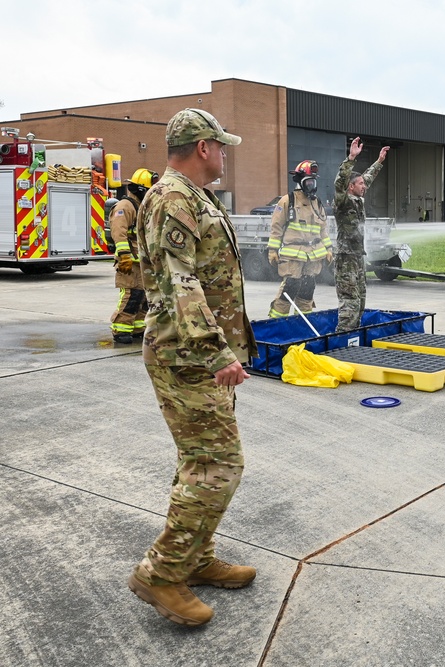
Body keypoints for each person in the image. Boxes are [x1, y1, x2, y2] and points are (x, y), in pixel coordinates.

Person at [128, 108, 258, 627]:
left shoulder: (193, 196)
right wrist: (215, 350)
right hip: (186, 356)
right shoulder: (173, 197)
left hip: (199, 355)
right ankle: (160, 573)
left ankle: (196, 559)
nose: (225, 154)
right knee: (218, 466)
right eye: (221, 145)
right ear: (203, 146)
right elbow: (180, 281)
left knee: (199, 462)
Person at [333, 136, 389, 333]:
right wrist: (350, 159)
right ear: (351, 187)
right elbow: (340, 182)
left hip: (357, 258)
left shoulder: (358, 199)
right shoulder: (343, 200)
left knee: (360, 301)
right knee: (350, 304)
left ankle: (353, 337)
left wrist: (379, 161)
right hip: (345, 258)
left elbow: (367, 177)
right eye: (360, 184)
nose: (364, 186)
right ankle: (341, 339)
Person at [267, 160, 334, 317]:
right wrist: (272, 250)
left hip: (313, 256)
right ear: (300, 182)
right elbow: (276, 227)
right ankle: (277, 323)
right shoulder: (287, 201)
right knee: (290, 288)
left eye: (313, 182)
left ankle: (303, 323)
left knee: (307, 289)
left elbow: (323, 229)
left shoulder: (317, 203)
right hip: (293, 256)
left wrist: (329, 249)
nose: (312, 185)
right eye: (309, 182)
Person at [109, 168, 159, 344]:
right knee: (131, 296)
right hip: (130, 261)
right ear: (141, 189)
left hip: (143, 262)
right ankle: (120, 329)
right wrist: (124, 255)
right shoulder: (125, 207)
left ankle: (138, 327)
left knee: (143, 297)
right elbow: (119, 232)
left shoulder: (143, 207)